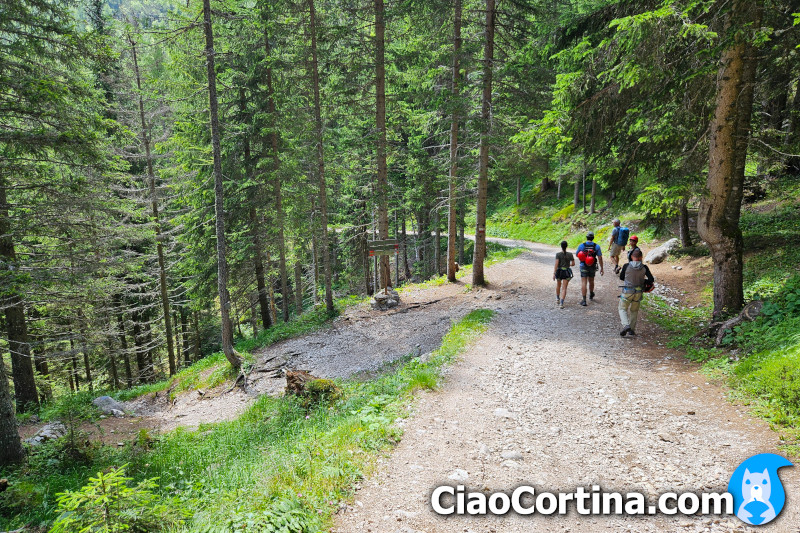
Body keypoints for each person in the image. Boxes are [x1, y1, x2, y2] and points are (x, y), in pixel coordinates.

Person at [618, 248, 654, 336]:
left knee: (622, 308)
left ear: (631, 256)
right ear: (641, 257)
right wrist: (642, 281)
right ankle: (632, 330)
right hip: (638, 292)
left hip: (627, 291)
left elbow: (621, 278)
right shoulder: (644, 267)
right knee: (634, 311)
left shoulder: (626, 266)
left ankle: (626, 325)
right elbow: (651, 280)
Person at [576, 232, 604, 306]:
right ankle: (591, 294)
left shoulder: (582, 245)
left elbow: (577, 254)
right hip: (592, 266)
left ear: (586, 237)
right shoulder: (597, 246)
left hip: (583, 265)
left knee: (584, 282)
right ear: (593, 238)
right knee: (591, 281)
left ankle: (584, 300)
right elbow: (600, 258)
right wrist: (602, 268)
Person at [553, 240, 575, 309]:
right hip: (566, 272)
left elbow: (556, 264)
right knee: (564, 288)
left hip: (559, 272)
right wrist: (568, 265)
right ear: (566, 246)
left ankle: (557, 298)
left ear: (561, 246)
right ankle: (562, 303)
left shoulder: (558, 254)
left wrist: (554, 273)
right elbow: (573, 264)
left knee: (558, 285)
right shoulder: (570, 254)